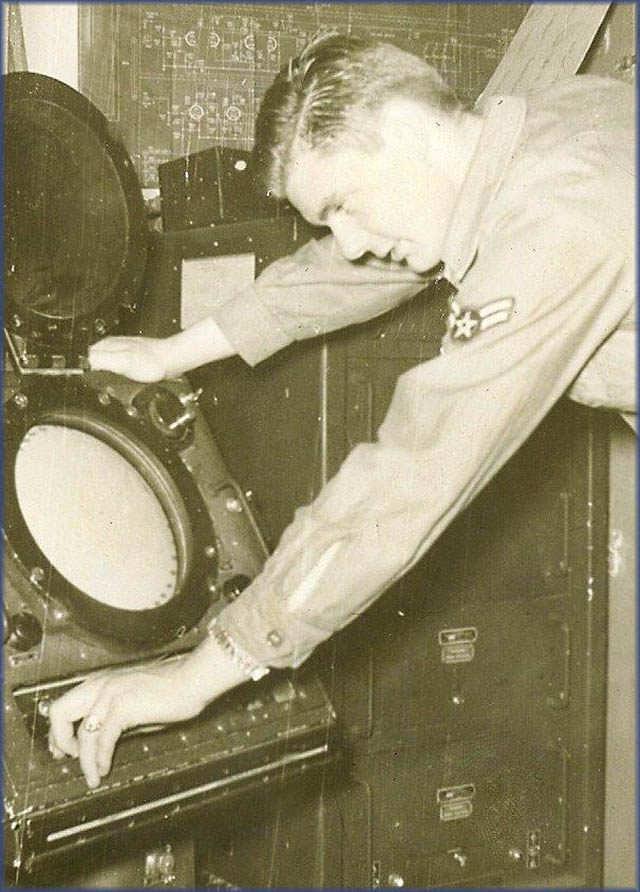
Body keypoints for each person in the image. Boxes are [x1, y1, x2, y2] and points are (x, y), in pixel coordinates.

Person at [48, 34, 635, 789]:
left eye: (342, 207)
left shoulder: (558, 225)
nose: (350, 242)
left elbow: (413, 475)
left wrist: (195, 677)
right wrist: (175, 354)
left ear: (406, 130)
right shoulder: (529, 131)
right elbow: (359, 269)